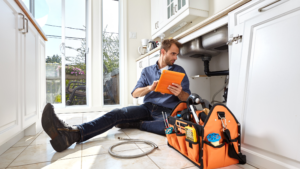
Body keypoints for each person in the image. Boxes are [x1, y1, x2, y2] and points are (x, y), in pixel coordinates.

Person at [41, 39, 191, 152]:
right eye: (173, 53)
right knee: (117, 113)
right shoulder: (147, 71)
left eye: (177, 54)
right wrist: (150, 88)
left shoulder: (179, 71)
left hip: (166, 111)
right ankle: (72, 134)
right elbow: (135, 93)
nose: (175, 57)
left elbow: (186, 98)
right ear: (163, 52)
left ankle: (136, 124)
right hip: (146, 108)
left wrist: (181, 93)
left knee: (174, 126)